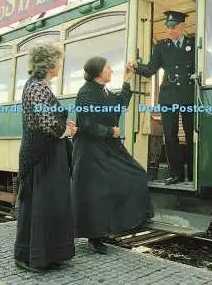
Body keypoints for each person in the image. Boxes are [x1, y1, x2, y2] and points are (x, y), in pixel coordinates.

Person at [71, 57, 153, 254]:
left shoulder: (104, 90)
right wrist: (110, 131)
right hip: (91, 149)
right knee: (96, 193)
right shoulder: (86, 92)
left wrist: (126, 81)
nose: (111, 71)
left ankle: (132, 219)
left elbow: (120, 106)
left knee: (136, 174)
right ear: (98, 72)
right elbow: (86, 123)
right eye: (108, 68)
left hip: (108, 145)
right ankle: (95, 237)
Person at [14, 43, 77, 272]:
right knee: (42, 205)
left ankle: (48, 255)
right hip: (43, 156)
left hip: (47, 154)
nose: (60, 64)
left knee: (49, 205)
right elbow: (44, 123)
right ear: (49, 64)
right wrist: (66, 130)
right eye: (58, 61)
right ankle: (33, 257)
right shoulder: (37, 87)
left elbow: (48, 119)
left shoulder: (39, 86)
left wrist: (63, 125)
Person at [128, 10, 195, 185]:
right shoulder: (161, 47)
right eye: (168, 27)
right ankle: (176, 174)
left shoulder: (194, 44)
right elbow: (151, 70)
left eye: (173, 27)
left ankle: (194, 174)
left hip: (189, 95)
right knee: (170, 136)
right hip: (168, 96)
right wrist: (136, 67)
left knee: (191, 134)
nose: (170, 30)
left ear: (182, 26)